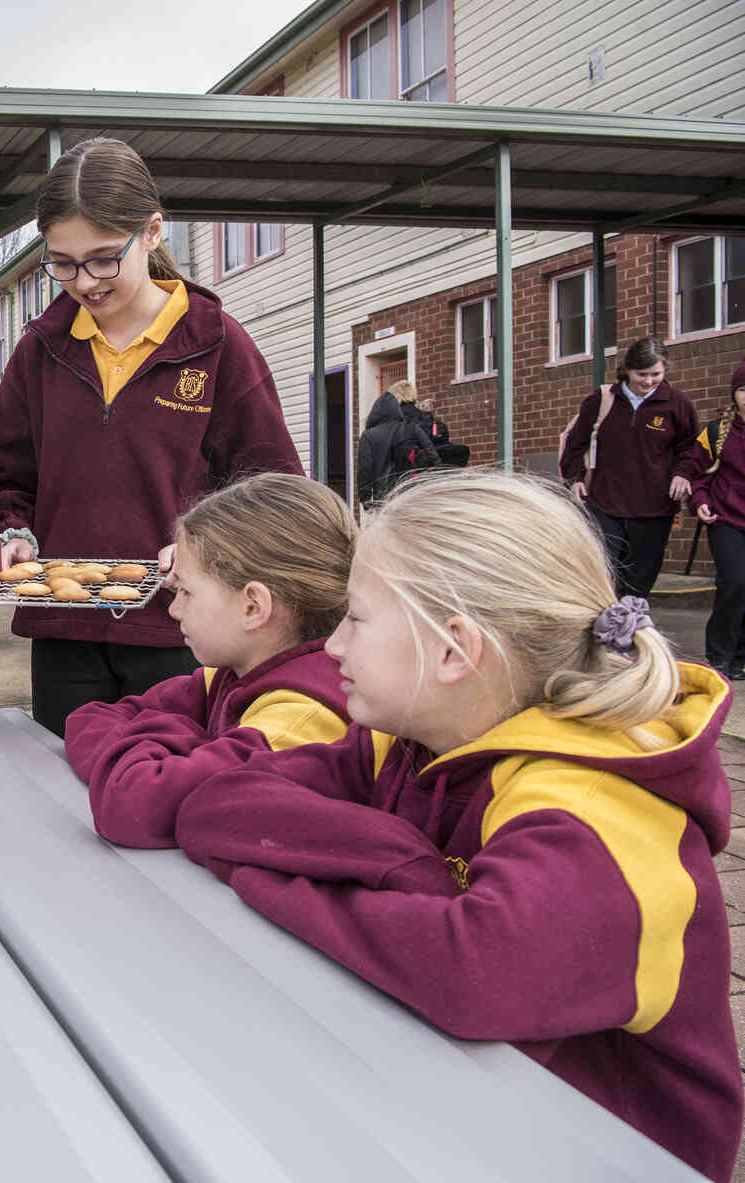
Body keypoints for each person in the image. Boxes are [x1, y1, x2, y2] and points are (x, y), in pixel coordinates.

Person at [171, 469, 740, 1182]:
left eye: (356, 618)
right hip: (455, 1113)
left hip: (599, 1150)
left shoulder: (600, 810)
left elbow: (476, 973)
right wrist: (408, 869)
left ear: (452, 650)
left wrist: (274, 872)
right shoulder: (407, 742)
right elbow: (213, 805)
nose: (334, 646)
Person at [0, 137, 302, 738]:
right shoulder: (39, 350)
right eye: (62, 262)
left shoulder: (218, 346)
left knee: (169, 787)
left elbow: (273, 489)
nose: (84, 281)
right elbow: (7, 474)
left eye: (105, 257)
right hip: (66, 630)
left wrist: (207, 549)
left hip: (180, 628)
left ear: (153, 232)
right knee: (65, 790)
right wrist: (14, 531)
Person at [66, 473, 356, 847]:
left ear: (253, 607)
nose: (173, 610)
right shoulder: (233, 675)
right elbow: (88, 719)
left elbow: (131, 806)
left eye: (185, 591)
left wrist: (175, 743)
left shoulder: (301, 722)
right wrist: (187, 745)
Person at [559, 336, 699, 599]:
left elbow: (689, 447)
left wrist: (682, 473)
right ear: (627, 370)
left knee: (638, 583)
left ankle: (628, 630)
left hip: (655, 508)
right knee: (601, 574)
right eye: (641, 374)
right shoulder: (601, 400)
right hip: (604, 503)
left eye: (655, 374)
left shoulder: (678, 405)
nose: (648, 381)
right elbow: (575, 444)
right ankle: (599, 629)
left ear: (665, 370)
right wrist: (575, 478)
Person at [691, 357, 745, 679]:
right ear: (734, 394)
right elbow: (697, 476)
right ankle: (720, 654)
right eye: (743, 389)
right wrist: (700, 501)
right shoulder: (716, 432)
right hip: (726, 520)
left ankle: (741, 655)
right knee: (735, 582)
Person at [355, 381, 440, 509]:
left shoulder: (368, 436)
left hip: (384, 497)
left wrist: (366, 500)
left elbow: (365, 471)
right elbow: (433, 456)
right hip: (412, 492)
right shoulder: (411, 428)